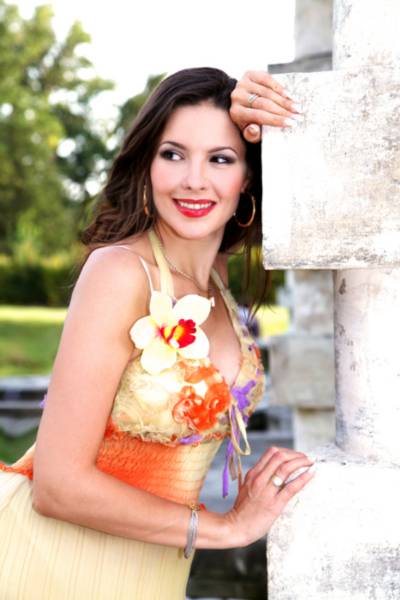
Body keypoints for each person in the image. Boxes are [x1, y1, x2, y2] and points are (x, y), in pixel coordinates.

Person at [0, 67, 314, 599]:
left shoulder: (217, 284)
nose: (194, 180)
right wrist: (227, 528)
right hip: (46, 567)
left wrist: (275, 109)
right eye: (173, 154)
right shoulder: (120, 272)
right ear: (147, 164)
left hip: (152, 576)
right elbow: (57, 485)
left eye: (220, 159)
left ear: (247, 178)